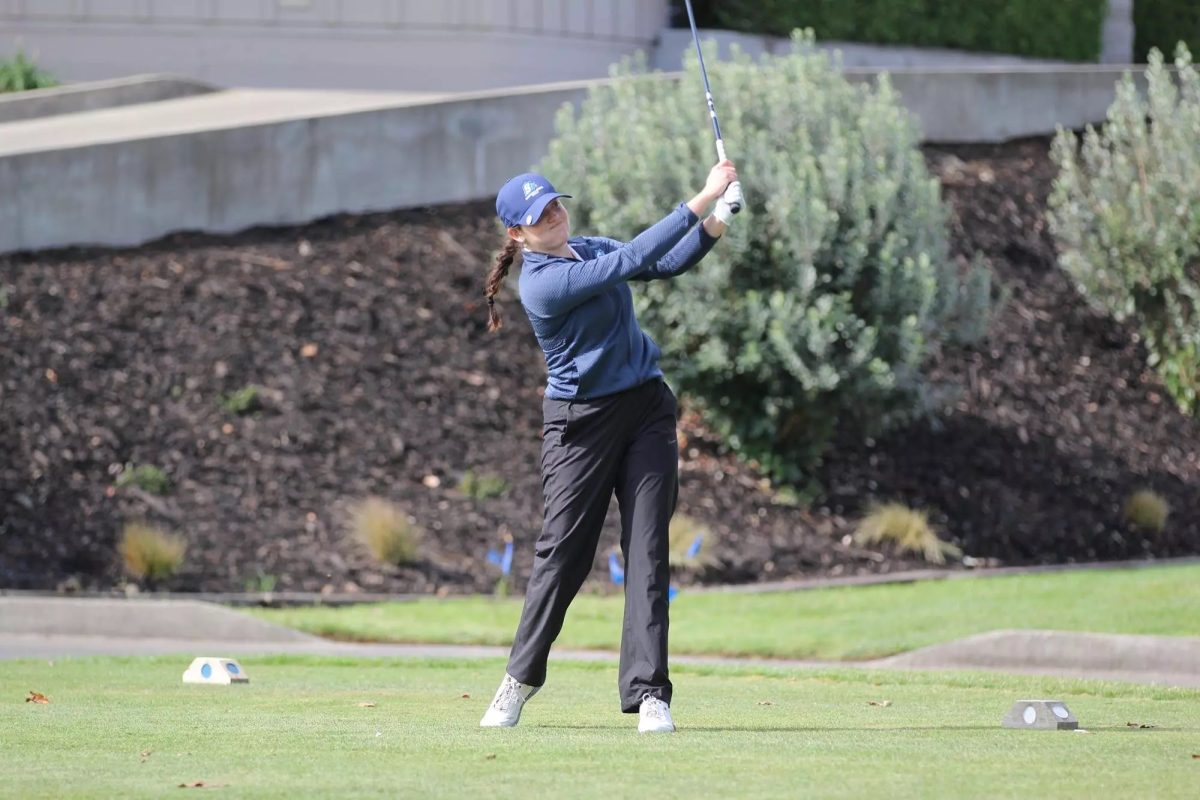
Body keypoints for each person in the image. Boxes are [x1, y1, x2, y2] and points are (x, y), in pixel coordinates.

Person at [480, 160, 739, 734]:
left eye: (553, 204)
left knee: (648, 549)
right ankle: (518, 682)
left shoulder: (587, 247)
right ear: (517, 235)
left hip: (645, 408)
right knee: (564, 553)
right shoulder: (541, 284)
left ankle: (650, 694)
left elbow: (663, 262)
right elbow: (631, 260)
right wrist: (702, 195)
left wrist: (719, 217)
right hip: (581, 425)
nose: (553, 215)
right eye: (537, 216)